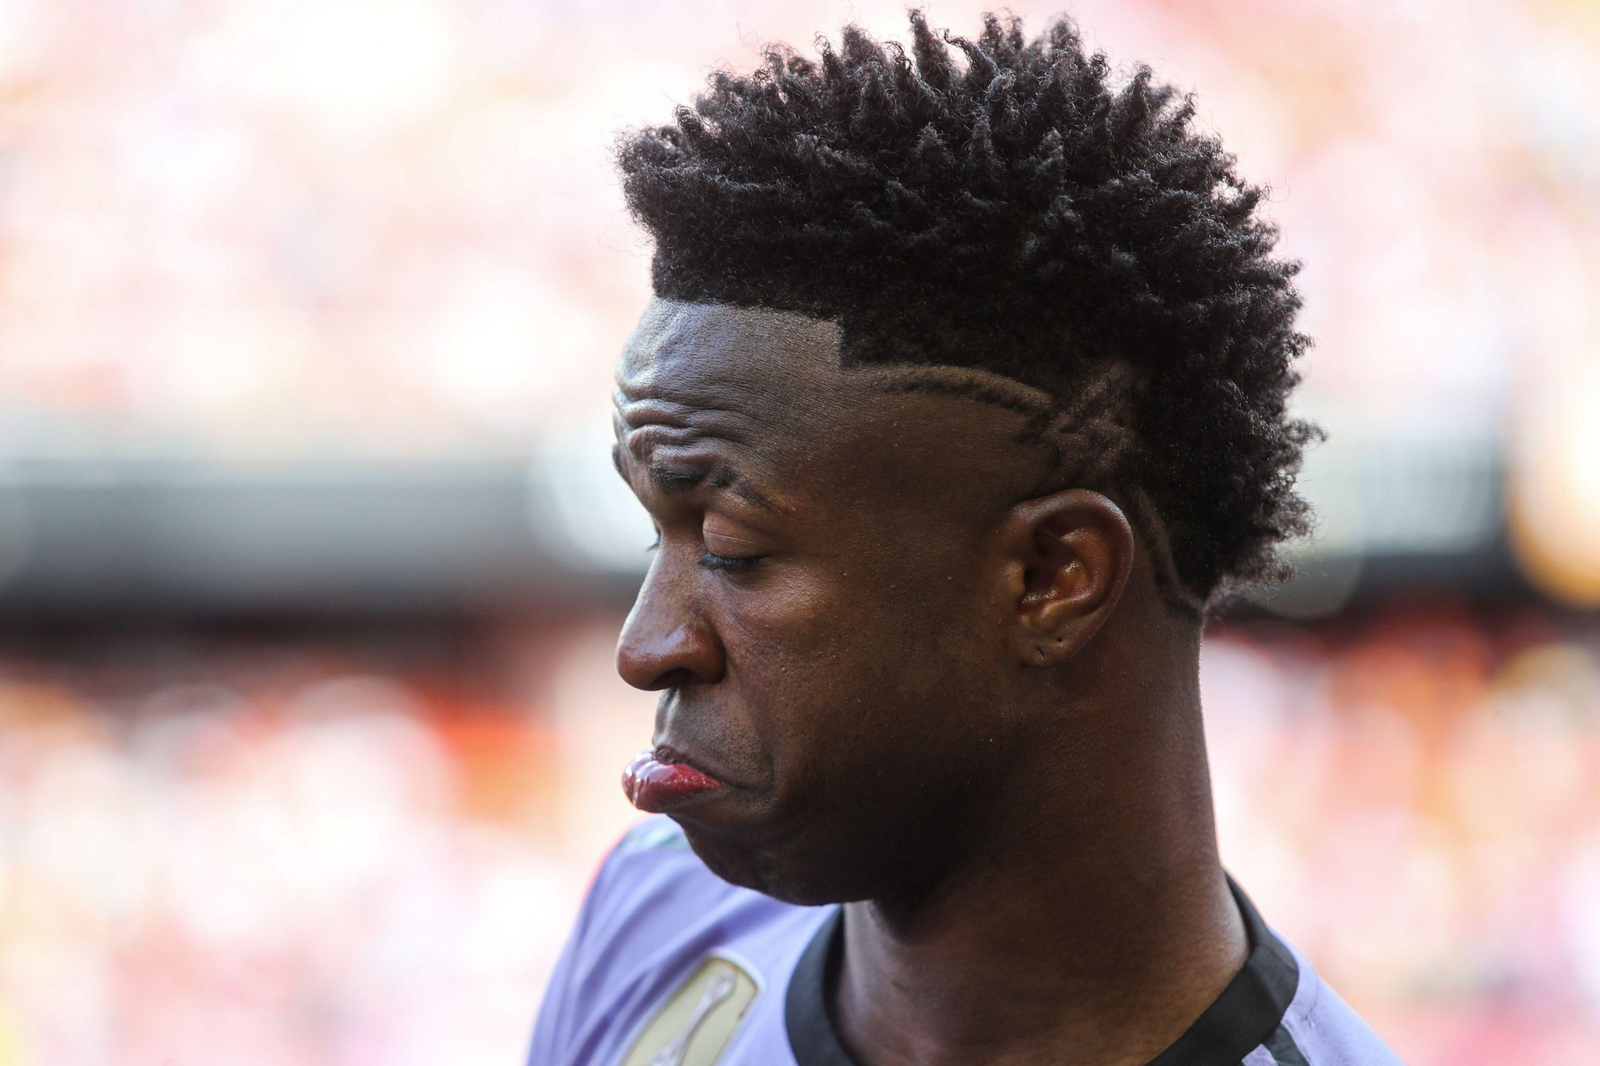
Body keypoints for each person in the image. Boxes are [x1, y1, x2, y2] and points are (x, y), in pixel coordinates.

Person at [530, 11, 1404, 1066]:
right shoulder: (657, 917)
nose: (646, 645)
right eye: (654, 536)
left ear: (1052, 578)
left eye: (731, 548)